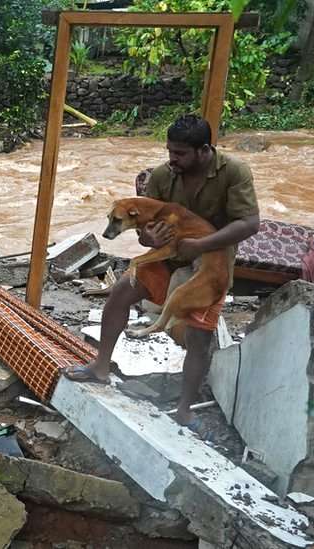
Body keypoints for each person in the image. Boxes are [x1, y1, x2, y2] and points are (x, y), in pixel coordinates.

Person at [63, 114, 260, 432]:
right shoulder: (161, 176)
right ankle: (100, 366)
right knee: (120, 293)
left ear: (203, 150)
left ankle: (184, 410)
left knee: (198, 336)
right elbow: (144, 230)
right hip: (168, 258)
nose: (172, 159)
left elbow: (250, 224)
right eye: (170, 151)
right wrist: (148, 239)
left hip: (210, 262)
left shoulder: (233, 172)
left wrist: (200, 245)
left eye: (180, 153)